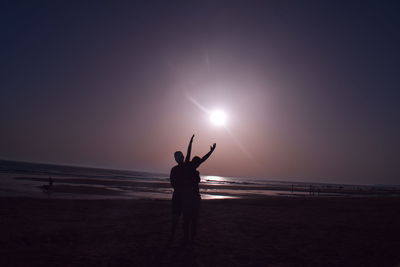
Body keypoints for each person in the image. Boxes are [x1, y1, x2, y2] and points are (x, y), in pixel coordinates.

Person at [182, 136, 216, 245]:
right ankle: (189, 238)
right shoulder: (188, 165)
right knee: (189, 219)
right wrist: (190, 142)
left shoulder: (191, 166)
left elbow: (203, 158)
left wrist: (211, 151)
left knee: (191, 219)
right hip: (189, 197)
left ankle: (190, 238)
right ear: (195, 162)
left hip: (194, 197)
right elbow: (189, 153)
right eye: (197, 162)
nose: (198, 163)